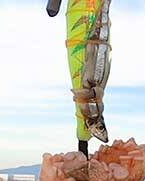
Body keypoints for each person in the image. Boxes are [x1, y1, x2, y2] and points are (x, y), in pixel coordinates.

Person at [47, 0, 112, 157]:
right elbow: (52, 8)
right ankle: (83, 140)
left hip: (96, 18)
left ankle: (84, 140)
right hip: (81, 18)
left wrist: (53, 6)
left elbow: (52, 9)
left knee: (92, 77)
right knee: (86, 80)